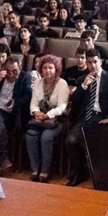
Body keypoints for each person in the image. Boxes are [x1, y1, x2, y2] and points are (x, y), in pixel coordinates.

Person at [65, 48, 108, 187]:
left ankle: (102, 179)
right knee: (70, 141)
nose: (93, 65)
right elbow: (75, 102)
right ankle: (78, 174)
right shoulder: (81, 79)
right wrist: (83, 86)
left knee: (98, 144)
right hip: (86, 118)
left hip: (103, 118)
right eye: (89, 63)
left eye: (95, 62)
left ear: (101, 62)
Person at [0, 56, 32, 176]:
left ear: (20, 69)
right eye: (8, 71)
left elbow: (28, 96)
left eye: (14, 71)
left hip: (10, 113)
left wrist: (15, 103)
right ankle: (3, 156)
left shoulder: (25, 77)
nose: (11, 74)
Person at [26, 54, 69, 183]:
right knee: (30, 135)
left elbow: (62, 106)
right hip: (39, 119)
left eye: (50, 68)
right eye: (44, 68)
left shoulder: (62, 84)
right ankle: (35, 168)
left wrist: (47, 115)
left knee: (46, 137)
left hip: (55, 120)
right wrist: (36, 113)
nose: (47, 70)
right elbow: (33, 103)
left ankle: (45, 171)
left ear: (56, 69)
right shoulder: (38, 83)